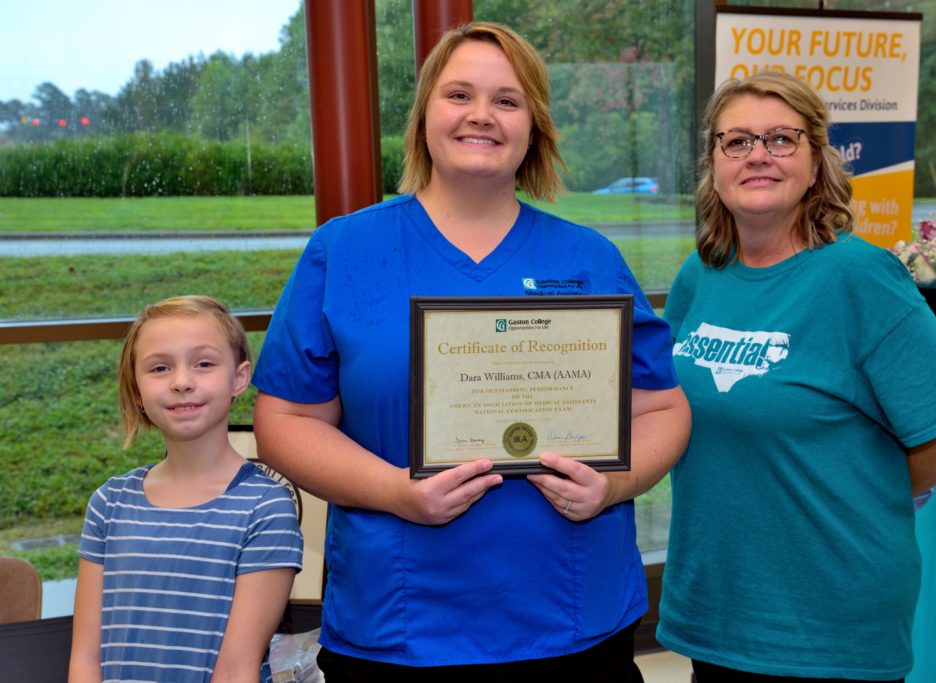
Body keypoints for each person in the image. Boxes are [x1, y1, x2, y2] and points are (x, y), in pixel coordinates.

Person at [252, 21, 690, 682]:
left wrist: (615, 485)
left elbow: (662, 407)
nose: (481, 115)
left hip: (573, 622)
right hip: (401, 630)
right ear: (425, 111)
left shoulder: (589, 258)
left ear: (533, 125)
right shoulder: (343, 251)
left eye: (507, 101)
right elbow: (286, 423)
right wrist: (399, 493)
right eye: (459, 94)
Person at [657, 71, 936, 682]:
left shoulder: (860, 278)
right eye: (737, 141)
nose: (758, 155)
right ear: (715, 164)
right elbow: (665, 410)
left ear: (815, 163)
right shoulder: (700, 275)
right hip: (717, 607)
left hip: (829, 619)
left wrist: (869, 488)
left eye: (781, 139)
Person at [69, 295, 303, 683]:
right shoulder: (109, 503)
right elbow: (85, 660)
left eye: (204, 364)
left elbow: (234, 671)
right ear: (137, 388)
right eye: (160, 368)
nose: (182, 382)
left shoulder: (265, 508)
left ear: (240, 378)